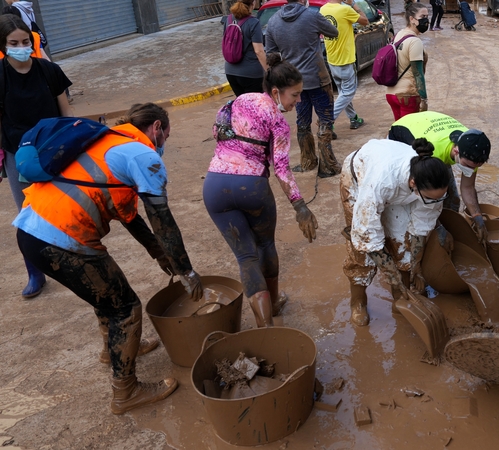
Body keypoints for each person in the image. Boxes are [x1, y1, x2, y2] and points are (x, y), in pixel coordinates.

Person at [13, 103, 204, 414]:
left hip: (31, 231)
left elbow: (128, 216)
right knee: (125, 308)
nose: (165, 142)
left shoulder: (106, 142)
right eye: (166, 134)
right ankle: (126, 392)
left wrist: (156, 251)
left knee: (106, 296)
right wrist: (186, 270)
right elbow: (162, 219)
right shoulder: (143, 155)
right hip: (61, 239)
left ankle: (112, 349)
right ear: (156, 128)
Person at [204, 54, 318, 328]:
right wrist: (300, 206)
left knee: (245, 256)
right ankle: (274, 303)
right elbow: (281, 168)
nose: (298, 101)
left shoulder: (236, 101)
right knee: (265, 245)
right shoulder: (278, 122)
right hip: (251, 188)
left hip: (215, 186)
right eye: (295, 95)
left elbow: (218, 132)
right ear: (276, 92)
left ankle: (265, 327)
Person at [341, 138, 450, 326]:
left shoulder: (433, 185)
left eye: (437, 199)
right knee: (361, 249)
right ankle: (358, 302)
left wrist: (417, 265)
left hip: (402, 191)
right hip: (360, 179)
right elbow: (367, 234)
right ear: (414, 184)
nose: (435, 202)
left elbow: (420, 225)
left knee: (402, 242)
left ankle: (401, 298)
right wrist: (391, 274)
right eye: (430, 199)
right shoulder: (382, 181)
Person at [0, 15, 72, 298]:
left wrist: (72, 144)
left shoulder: (48, 70)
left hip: (54, 150)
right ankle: (35, 273)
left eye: (25, 41)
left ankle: (69, 264)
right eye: (13, 43)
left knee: (63, 209)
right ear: (3, 46)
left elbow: (66, 112)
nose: (21, 47)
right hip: (18, 155)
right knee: (28, 215)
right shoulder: (0, 76)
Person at [387, 111, 492, 242]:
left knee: (452, 200)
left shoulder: (473, 149)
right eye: (468, 165)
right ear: (456, 151)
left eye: (475, 167)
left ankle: (448, 234)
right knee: (420, 196)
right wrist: (437, 228)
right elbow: (425, 198)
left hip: (428, 127)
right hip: (402, 133)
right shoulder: (432, 153)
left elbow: (468, 187)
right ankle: (429, 239)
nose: (471, 169)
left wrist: (477, 217)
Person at [264, 0, 341, 178]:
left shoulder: (274, 21)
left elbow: (271, 54)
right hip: (318, 78)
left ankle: (308, 161)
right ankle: (328, 165)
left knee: (303, 121)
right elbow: (333, 32)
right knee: (325, 120)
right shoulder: (312, 15)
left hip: (293, 82)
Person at [320, 0, 367, 132]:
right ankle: (327, 120)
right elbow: (365, 21)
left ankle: (353, 118)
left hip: (332, 59)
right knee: (348, 92)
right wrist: (353, 4)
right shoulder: (345, 10)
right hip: (345, 59)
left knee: (343, 92)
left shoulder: (323, 9)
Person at [385, 2, 429, 121]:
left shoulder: (399, 35)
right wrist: (424, 99)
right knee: (410, 135)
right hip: (407, 96)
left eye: (427, 17)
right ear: (412, 19)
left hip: (391, 93)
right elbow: (418, 73)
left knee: (400, 133)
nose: (426, 20)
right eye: (423, 17)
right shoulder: (415, 42)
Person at [222, 0, 268, 96]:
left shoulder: (228, 19)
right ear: (253, 2)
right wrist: (268, 71)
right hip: (251, 74)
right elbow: (259, 51)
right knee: (255, 108)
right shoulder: (253, 22)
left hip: (230, 72)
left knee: (243, 107)